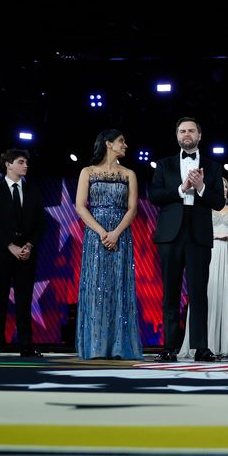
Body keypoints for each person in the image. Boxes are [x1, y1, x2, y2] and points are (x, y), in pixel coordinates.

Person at [149, 117, 225, 363]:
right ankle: (169, 347)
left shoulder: (213, 167)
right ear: (177, 135)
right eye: (182, 130)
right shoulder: (164, 164)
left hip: (199, 234)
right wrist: (182, 189)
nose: (187, 134)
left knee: (199, 293)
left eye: (192, 130)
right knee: (170, 292)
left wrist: (202, 187)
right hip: (170, 235)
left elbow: (219, 202)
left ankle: (201, 347)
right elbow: (155, 196)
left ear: (199, 135)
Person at [75, 130, 142, 360]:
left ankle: (118, 347)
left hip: (121, 235)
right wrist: (103, 232)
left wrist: (116, 233)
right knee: (96, 288)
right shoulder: (88, 172)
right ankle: (95, 347)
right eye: (121, 141)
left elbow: (132, 208)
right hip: (96, 236)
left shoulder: (129, 174)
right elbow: (80, 206)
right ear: (108, 144)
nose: (125, 144)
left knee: (119, 287)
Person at [0, 148, 46, 357]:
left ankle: (26, 345)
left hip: (26, 255)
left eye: (26, 162)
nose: (25, 166)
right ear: (8, 164)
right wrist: (10, 246)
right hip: (2, 254)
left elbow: (40, 224)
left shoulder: (34, 191)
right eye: (21, 162)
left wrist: (28, 245)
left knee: (24, 301)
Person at [182, 177, 228, 358]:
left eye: (227, 186)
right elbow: (193, 232)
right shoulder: (201, 207)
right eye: (221, 186)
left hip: (226, 256)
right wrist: (217, 235)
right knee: (206, 296)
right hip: (208, 254)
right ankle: (203, 344)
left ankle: (223, 344)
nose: (225, 189)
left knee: (224, 297)